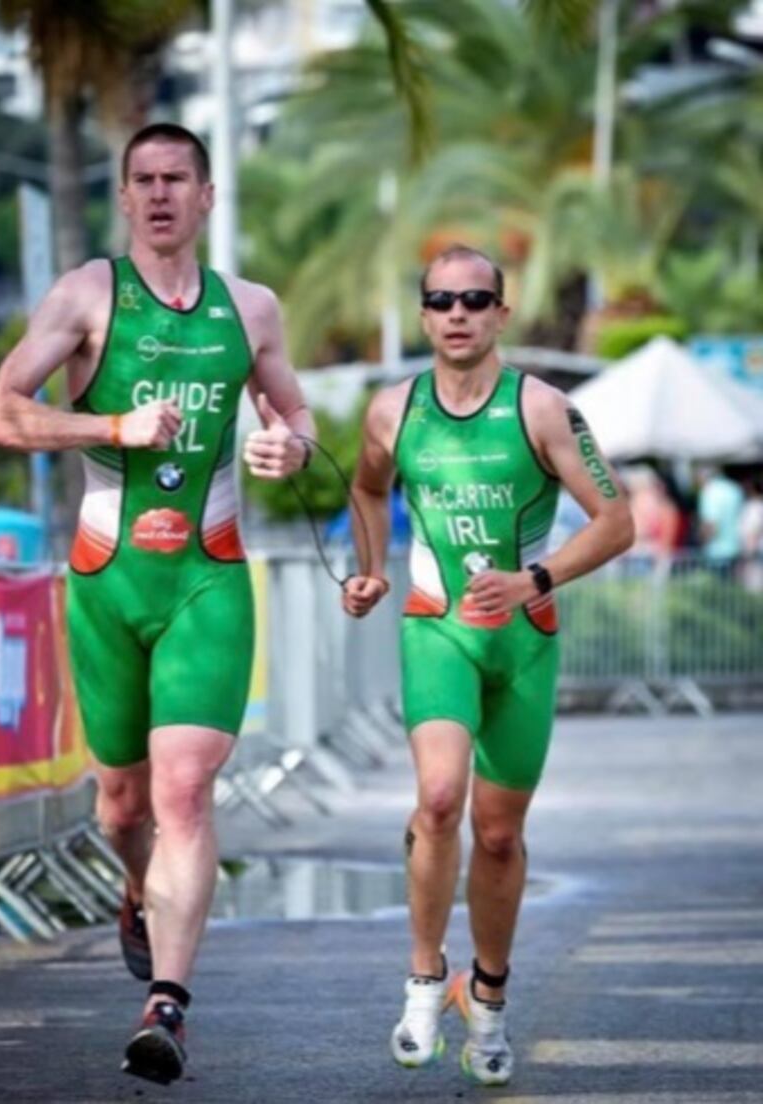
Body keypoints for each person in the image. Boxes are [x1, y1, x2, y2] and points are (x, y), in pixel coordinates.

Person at [0, 123, 315, 1085]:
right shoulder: (87, 295)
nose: (160, 194)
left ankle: (166, 1005)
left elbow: (292, 413)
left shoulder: (249, 308)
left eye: (178, 179)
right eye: (143, 180)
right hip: (106, 578)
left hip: (209, 574)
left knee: (183, 790)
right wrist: (110, 423)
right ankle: (137, 887)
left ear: (207, 196)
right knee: (122, 799)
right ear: (124, 197)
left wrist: (287, 445)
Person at [342, 244, 634, 1086]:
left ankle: (490, 995)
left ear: (502, 312)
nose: (458, 313)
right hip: (437, 629)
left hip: (525, 636)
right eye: (441, 300)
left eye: (476, 298)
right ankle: (426, 980)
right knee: (439, 800)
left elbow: (616, 522)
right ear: (425, 314)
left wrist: (535, 577)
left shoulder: (542, 409)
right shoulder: (392, 412)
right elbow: (367, 489)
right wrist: (368, 569)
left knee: (499, 834)